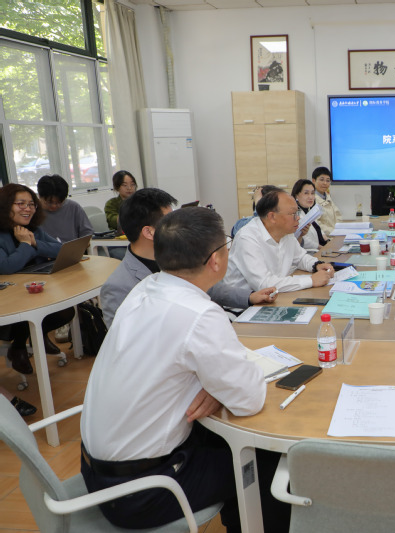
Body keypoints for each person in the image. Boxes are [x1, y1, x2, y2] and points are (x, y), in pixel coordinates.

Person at [81, 207, 289, 531]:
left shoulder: (145, 288)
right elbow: (249, 399)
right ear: (215, 260)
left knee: (217, 437)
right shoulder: (200, 314)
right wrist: (219, 386)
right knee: (267, 458)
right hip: (142, 491)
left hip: (96, 471)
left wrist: (214, 386)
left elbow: (170, 361)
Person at [100, 188, 277, 328]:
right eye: (169, 221)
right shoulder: (118, 286)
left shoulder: (175, 254)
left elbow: (209, 288)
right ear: (149, 232)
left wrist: (249, 297)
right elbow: (126, 345)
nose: (176, 227)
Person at [0, 184, 74, 374]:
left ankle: (38, 336)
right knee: (30, 313)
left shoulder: (34, 229)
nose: (28, 208)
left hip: (34, 290)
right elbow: (6, 267)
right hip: (8, 300)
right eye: (21, 204)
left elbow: (60, 250)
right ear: (5, 205)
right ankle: (18, 347)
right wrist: (26, 244)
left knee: (66, 311)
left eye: (31, 204)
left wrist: (34, 242)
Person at [223, 188, 334, 293]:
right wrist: (311, 280)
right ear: (272, 217)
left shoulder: (286, 232)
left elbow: (300, 258)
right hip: (247, 303)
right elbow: (264, 284)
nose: (298, 218)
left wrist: (317, 265)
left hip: (276, 295)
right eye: (293, 214)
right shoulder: (247, 238)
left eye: (298, 212)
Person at [36, 174, 93, 242]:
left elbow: (87, 233)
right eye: (49, 202)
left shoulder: (73, 207)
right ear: (39, 196)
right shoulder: (32, 211)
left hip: (72, 248)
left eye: (59, 202)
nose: (54, 206)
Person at [291, 178, 328, 252]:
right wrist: (321, 248)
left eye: (312, 193)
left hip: (320, 250)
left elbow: (319, 230)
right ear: (296, 195)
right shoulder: (295, 215)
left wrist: (328, 242)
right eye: (306, 193)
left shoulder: (310, 211)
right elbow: (303, 239)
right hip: (309, 253)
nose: (310, 197)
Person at [311, 166, 342, 235]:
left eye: (328, 180)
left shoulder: (328, 197)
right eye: (321, 180)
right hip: (323, 237)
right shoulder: (311, 199)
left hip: (334, 235)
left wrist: (340, 229)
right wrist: (334, 231)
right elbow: (316, 223)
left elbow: (338, 215)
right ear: (313, 181)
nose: (325, 183)